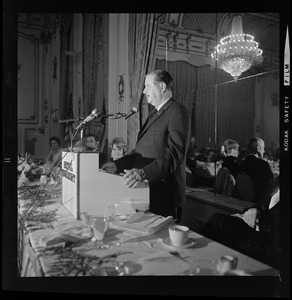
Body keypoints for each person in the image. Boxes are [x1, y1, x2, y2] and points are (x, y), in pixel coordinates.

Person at [101, 70, 191, 221]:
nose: (144, 91)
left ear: (162, 86)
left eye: (147, 86)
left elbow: (175, 153)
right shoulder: (153, 114)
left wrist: (144, 173)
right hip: (145, 191)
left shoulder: (177, 111)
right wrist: (117, 165)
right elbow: (141, 151)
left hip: (163, 193)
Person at [200, 176, 281, 268]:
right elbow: (261, 204)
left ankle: (215, 268)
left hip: (272, 237)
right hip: (259, 226)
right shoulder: (278, 182)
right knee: (217, 219)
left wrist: (259, 222)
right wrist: (254, 209)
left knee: (243, 244)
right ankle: (199, 257)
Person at [238, 137, 274, 202]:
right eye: (263, 148)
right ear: (258, 149)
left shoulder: (243, 163)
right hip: (260, 199)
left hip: (245, 197)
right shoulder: (263, 164)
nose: (264, 151)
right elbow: (271, 183)